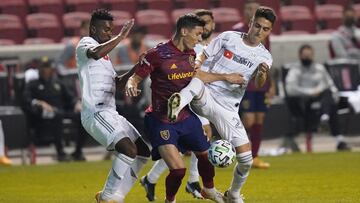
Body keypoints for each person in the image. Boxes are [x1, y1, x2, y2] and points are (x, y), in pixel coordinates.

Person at [167, 7, 276, 203]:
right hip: (206, 94)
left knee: (246, 160)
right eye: (257, 26)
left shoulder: (265, 56)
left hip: (228, 108)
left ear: (269, 31)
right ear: (250, 23)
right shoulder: (228, 37)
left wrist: (261, 75)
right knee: (197, 78)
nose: (259, 31)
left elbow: (259, 83)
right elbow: (203, 55)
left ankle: (233, 194)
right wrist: (198, 63)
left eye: (265, 29)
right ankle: (177, 104)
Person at [124, 13, 227, 203]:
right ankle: (170, 200)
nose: (199, 38)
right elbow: (136, 77)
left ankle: (209, 190)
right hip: (161, 120)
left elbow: (198, 78)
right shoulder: (157, 54)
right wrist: (131, 84)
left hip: (186, 117)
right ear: (184, 31)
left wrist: (228, 78)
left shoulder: (191, 54)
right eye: (197, 34)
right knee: (179, 170)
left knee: (205, 158)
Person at [76, 9, 150, 203]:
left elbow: (117, 84)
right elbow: (95, 53)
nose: (110, 33)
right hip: (95, 112)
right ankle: (106, 198)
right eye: (107, 29)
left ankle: (116, 197)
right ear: (93, 29)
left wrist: (138, 66)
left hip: (110, 112)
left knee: (142, 151)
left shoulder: (106, 58)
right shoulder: (86, 44)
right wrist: (121, 36)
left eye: (112, 30)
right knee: (128, 150)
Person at [285, 44, 351, 151]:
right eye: (305, 55)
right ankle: (337, 136)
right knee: (330, 106)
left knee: (330, 98)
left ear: (313, 55)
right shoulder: (295, 70)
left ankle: (325, 117)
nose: (307, 58)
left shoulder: (319, 68)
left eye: (309, 55)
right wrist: (310, 92)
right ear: (300, 56)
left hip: (321, 97)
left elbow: (329, 84)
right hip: (303, 99)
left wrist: (335, 94)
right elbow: (291, 89)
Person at [235, 0, 275, 169]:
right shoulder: (237, 31)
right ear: (244, 12)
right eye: (249, 9)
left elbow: (267, 59)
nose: (252, 11)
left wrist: (271, 84)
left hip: (262, 83)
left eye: (255, 9)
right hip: (246, 83)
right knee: (248, 119)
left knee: (259, 118)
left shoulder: (265, 33)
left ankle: (255, 157)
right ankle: (241, 153)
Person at [22, 57, 81, 162]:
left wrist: (77, 103)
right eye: (42, 67)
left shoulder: (57, 82)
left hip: (61, 111)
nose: (45, 70)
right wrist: (40, 103)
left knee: (82, 116)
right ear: (39, 69)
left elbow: (70, 97)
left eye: (47, 67)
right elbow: (26, 99)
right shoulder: (33, 84)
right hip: (42, 115)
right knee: (56, 115)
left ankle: (78, 151)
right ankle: (60, 152)